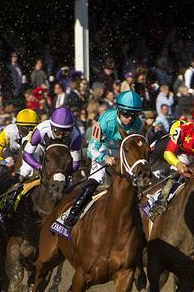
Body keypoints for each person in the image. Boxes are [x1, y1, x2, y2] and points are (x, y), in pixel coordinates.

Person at [52, 90, 144, 233]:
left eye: (134, 115)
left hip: (121, 152)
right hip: (101, 148)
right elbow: (90, 150)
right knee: (98, 178)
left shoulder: (138, 123)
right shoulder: (106, 121)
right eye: (126, 114)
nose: (130, 119)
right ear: (119, 110)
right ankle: (71, 215)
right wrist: (104, 158)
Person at [148, 103, 194, 217]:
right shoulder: (182, 130)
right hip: (182, 155)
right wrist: (178, 164)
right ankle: (160, 201)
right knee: (175, 172)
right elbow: (168, 153)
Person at [0, 108, 40, 220]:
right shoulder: (8, 132)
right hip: (12, 165)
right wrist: (4, 162)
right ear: (18, 126)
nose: (29, 133)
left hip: (33, 165)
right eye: (25, 129)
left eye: (32, 129)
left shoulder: (41, 132)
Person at [20, 106, 84, 179]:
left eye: (66, 132)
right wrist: (39, 167)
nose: (61, 136)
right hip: (41, 147)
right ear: (51, 127)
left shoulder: (76, 136)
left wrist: (65, 174)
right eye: (58, 131)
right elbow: (27, 154)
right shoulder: (41, 130)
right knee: (29, 168)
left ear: (71, 129)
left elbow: (76, 163)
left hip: (63, 151)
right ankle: (22, 179)